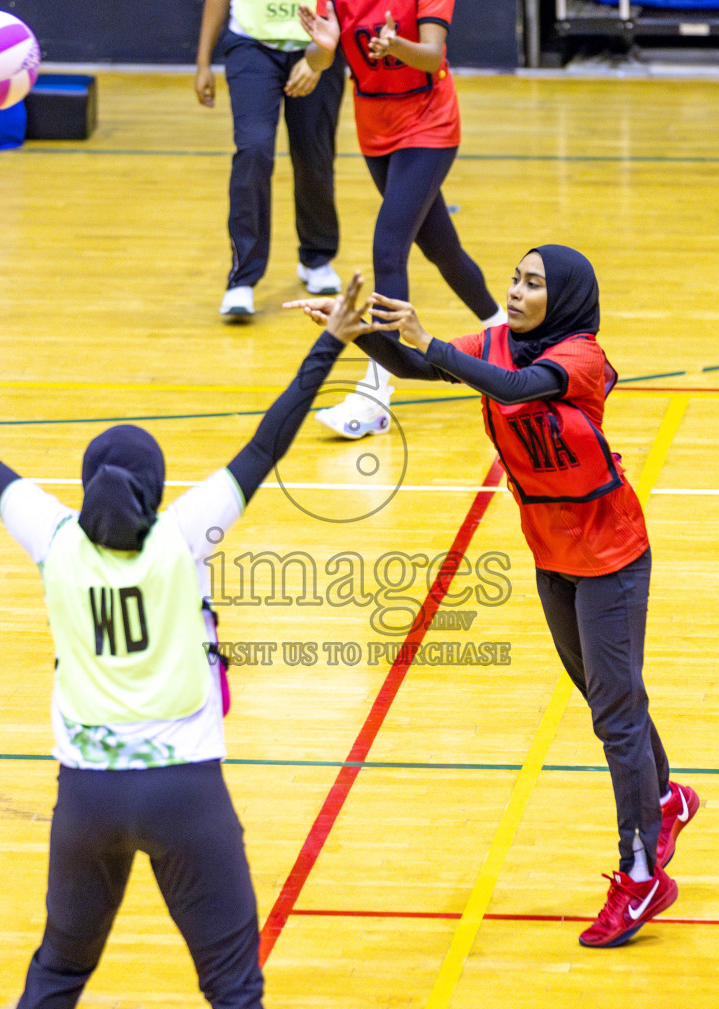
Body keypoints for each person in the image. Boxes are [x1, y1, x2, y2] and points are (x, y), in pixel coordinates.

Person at [0, 280, 370, 1009]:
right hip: (186, 794)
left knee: (59, 971)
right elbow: (267, 442)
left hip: (88, 798)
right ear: (156, 491)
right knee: (233, 989)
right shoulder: (182, 535)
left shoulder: (55, 539)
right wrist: (330, 346)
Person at [288, 244, 697, 947]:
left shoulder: (580, 358)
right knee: (607, 696)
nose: (515, 290)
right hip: (551, 550)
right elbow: (423, 366)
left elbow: (514, 388)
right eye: (513, 277)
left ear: (563, 296)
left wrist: (435, 341)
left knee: (616, 713)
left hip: (611, 554)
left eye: (532, 283)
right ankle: (665, 797)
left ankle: (641, 876)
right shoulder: (500, 341)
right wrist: (361, 334)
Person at [296, 0, 507, 440]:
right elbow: (322, 57)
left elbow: (431, 55)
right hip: (376, 130)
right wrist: (321, 48)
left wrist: (397, 45)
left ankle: (374, 396)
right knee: (441, 249)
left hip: (430, 123)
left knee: (388, 247)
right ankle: (505, 335)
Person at [195, 0, 345, 318]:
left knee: (313, 156)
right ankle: (242, 279)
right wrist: (203, 61)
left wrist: (320, 57)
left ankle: (316, 258)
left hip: (319, 43)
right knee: (253, 150)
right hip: (252, 46)